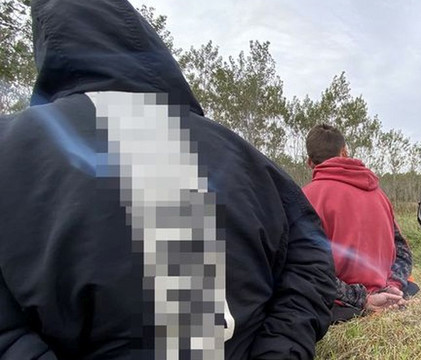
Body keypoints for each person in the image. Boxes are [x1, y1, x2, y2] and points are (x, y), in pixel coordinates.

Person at [0, 0, 335, 359]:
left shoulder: (12, 143)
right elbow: (312, 254)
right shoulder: (238, 150)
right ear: (142, 41)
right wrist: (281, 349)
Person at [302, 124, 418, 323]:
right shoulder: (379, 194)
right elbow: (403, 252)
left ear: (309, 162)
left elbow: (307, 270)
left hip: (342, 305)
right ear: (344, 152)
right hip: (387, 292)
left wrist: (363, 299)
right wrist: (394, 285)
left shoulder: (305, 198)